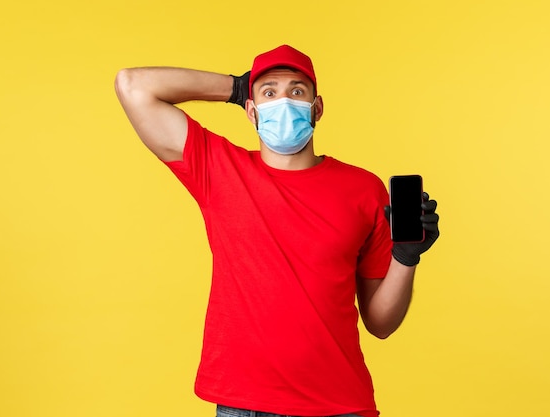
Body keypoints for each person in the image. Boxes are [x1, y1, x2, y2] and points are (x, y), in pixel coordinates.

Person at [115, 44, 439, 417]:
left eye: (297, 91)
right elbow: (134, 85)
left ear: (317, 108)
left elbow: (381, 324)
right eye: (269, 92)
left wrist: (406, 257)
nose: (284, 101)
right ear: (252, 111)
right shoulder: (218, 169)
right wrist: (238, 88)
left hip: (339, 404)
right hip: (245, 403)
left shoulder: (365, 190)